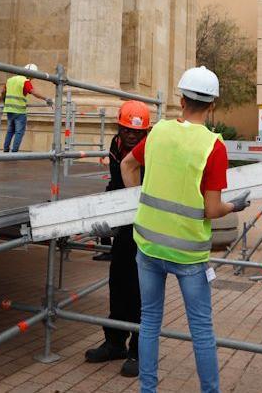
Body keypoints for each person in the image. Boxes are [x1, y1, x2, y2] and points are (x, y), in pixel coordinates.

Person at [120, 66, 249, 393]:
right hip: (188, 255)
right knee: (202, 330)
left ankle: (147, 390)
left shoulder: (158, 132)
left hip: (147, 246)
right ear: (212, 106)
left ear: (180, 99)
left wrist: (141, 201)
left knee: (149, 323)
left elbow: (127, 165)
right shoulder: (213, 147)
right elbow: (212, 209)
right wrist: (236, 206)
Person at [83, 101, 152, 377]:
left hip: (147, 228)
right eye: (126, 130)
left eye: (137, 132)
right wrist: (106, 217)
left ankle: (138, 351)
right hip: (125, 227)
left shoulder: (152, 150)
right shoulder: (115, 145)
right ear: (119, 127)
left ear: (145, 132)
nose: (131, 136)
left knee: (140, 291)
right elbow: (114, 185)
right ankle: (115, 342)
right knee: (118, 284)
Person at [1, 64, 50, 153]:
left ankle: (5, 150)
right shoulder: (25, 81)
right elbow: (33, 92)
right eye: (33, 76)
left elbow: (3, 92)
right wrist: (46, 98)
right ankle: (14, 152)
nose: (32, 79)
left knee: (10, 131)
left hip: (9, 109)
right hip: (19, 110)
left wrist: (5, 102)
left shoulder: (10, 80)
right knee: (19, 132)